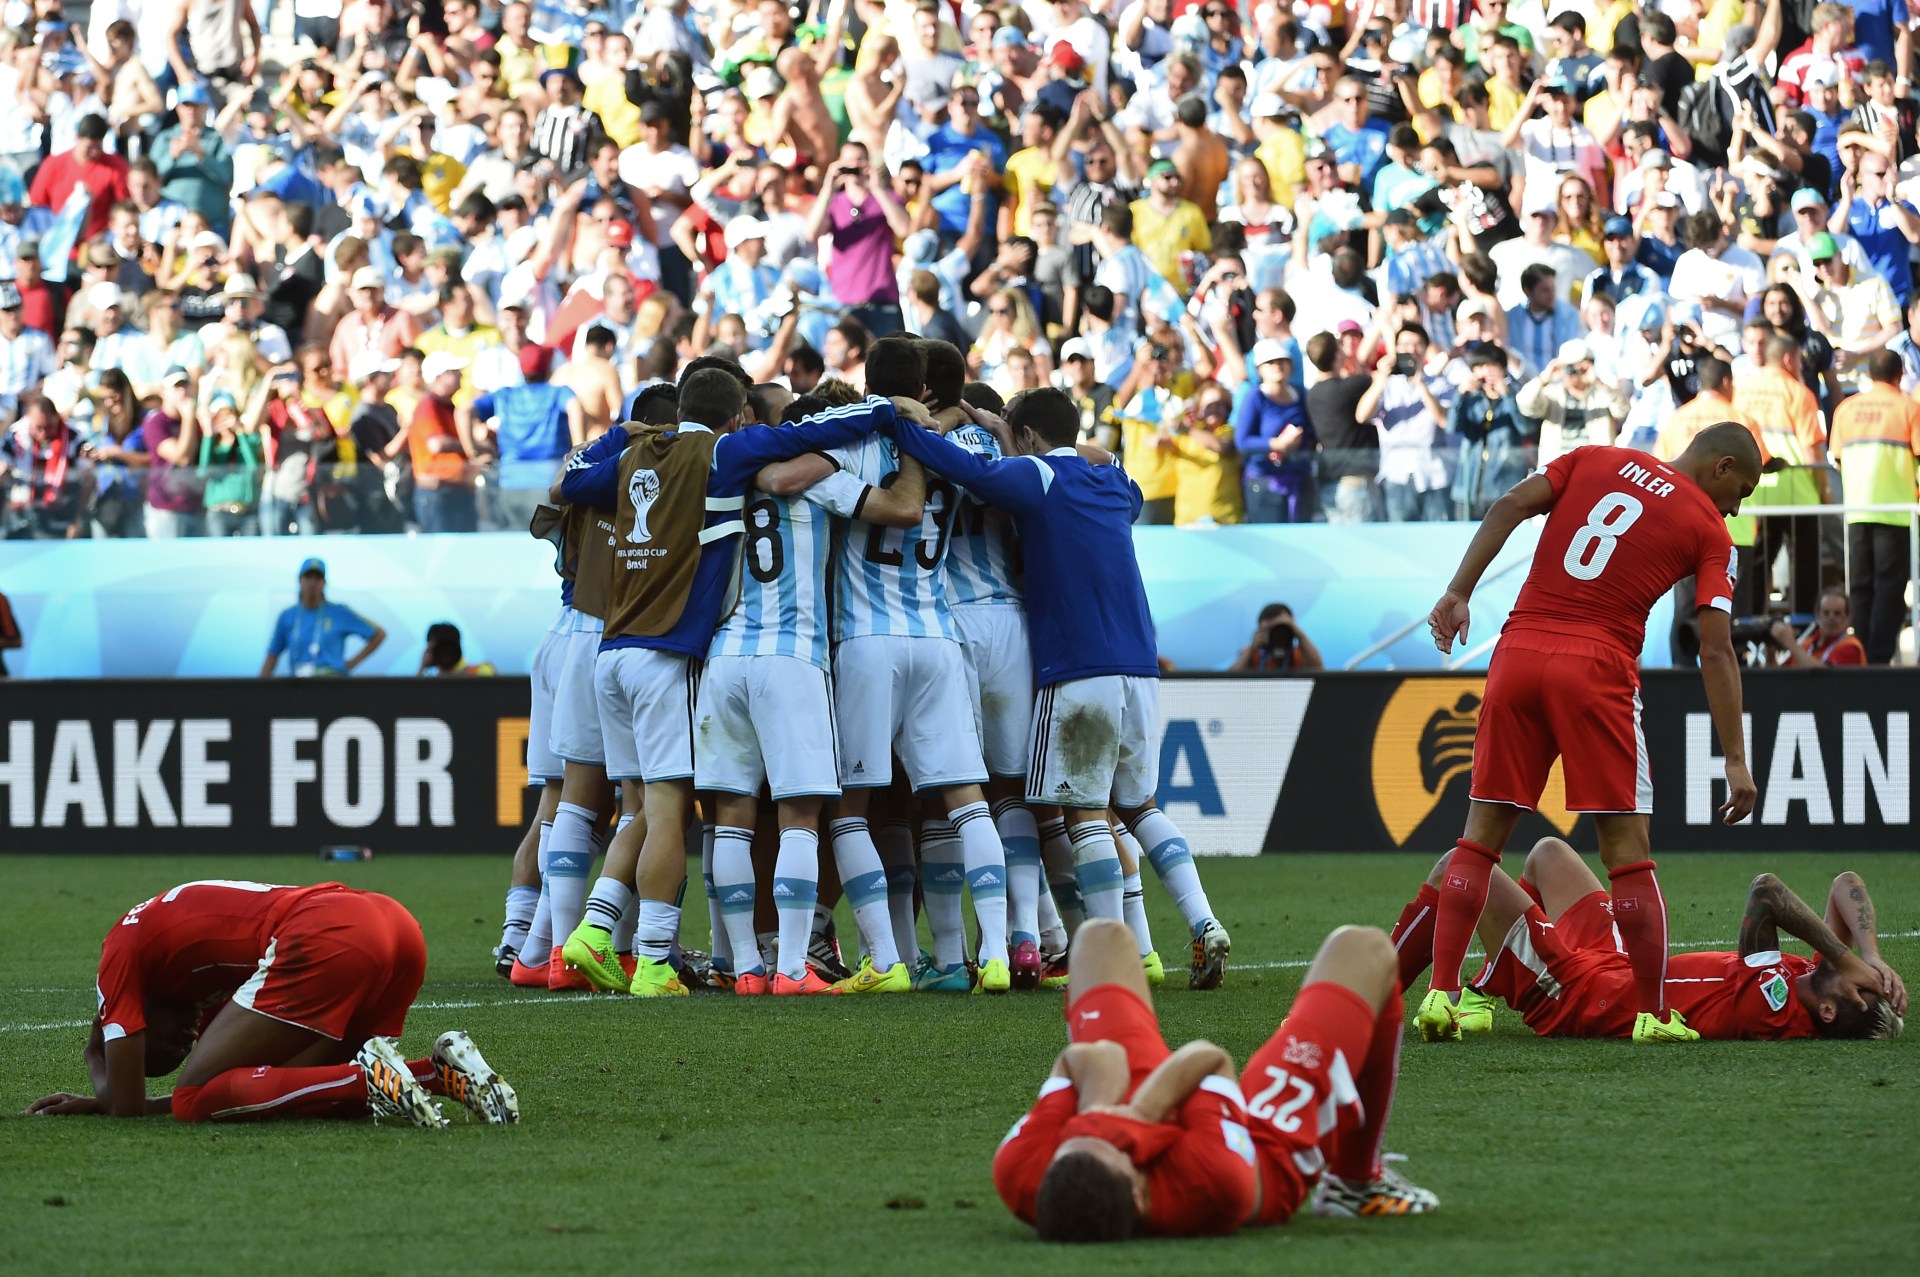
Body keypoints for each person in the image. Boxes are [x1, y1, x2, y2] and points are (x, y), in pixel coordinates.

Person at [1411, 423, 1764, 1045]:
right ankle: (1652, 1015)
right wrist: (1735, 758)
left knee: (1479, 838)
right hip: (1596, 665)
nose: (1739, 505)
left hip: (1518, 649)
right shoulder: (1712, 531)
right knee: (1628, 850)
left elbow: (1509, 505)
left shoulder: (1594, 458)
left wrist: (1459, 591)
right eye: (1744, 487)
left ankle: (1442, 996)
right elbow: (1716, 651)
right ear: (1722, 465)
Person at [554, 363, 897, 997]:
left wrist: (616, 435)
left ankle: (598, 930)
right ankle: (654, 958)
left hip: (612, 652)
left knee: (640, 809)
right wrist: (889, 410)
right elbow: (807, 436)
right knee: (667, 811)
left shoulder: (634, 460)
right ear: (738, 414)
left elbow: (570, 482)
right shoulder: (724, 451)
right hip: (671, 653)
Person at [890, 387, 1232, 988]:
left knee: (1083, 815)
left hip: (1079, 669)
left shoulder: (1037, 478)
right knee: (1140, 806)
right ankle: (1203, 920)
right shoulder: (1118, 486)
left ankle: (1107, 956)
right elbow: (1096, 460)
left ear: (1025, 439)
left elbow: (963, 469)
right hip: (1140, 668)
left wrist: (905, 423)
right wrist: (1015, 431)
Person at [992, 918, 1435, 1241]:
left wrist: (1100, 1117)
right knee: (1364, 949)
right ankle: (1355, 1182)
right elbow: (1207, 1060)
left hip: (1133, 1108)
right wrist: (1135, 1114)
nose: (1106, 1132)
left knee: (1097, 939)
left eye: (1087, 1134)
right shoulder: (1210, 1184)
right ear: (1140, 1195)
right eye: (1120, 1145)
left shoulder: (1022, 1172)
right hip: (1259, 1148)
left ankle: (1107, 1121)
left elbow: (1095, 1057)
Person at [24, 878, 517, 1127]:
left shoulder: (119, 958)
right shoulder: (194, 985)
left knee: (197, 1098)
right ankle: (437, 1072)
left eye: (170, 1041)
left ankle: (367, 1078)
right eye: (180, 1048)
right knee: (303, 1092)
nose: (189, 1040)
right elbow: (257, 1085)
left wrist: (97, 1061)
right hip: (394, 925)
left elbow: (129, 1108)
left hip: (332, 931)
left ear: (132, 1021)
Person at [1394, 838, 1904, 1042]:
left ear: (1832, 1012)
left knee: (1458, 867)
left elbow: (1766, 891)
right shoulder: (1810, 982)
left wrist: (1847, 959)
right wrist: (1872, 958)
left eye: (1864, 988)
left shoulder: (1771, 1006)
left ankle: (1381, 992)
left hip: (1579, 993)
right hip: (1616, 963)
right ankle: (1489, 982)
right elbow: (1846, 884)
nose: (1859, 976)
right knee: (1549, 854)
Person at [1828, 349, 1920, 662]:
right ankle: (1879, 660)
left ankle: (1860, 655)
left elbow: (1838, 459)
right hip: (1896, 513)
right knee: (1890, 589)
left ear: (1869, 375)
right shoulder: (1909, 408)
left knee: (1861, 587)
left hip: (1855, 512)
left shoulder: (1845, 409)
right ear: (1899, 375)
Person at [260, 557, 387, 678]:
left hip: (332, 685)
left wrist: (351, 664)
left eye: (317, 578)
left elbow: (378, 634)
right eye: (308, 577)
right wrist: (259, 689)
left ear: (324, 582)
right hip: (300, 687)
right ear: (300, 580)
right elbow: (273, 654)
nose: (312, 583)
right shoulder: (287, 616)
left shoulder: (339, 612)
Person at [1768, 589, 1869, 667]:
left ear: (1847, 619)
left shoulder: (1850, 646)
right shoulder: (1807, 644)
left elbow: (1823, 679)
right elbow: (1783, 675)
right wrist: (1770, 654)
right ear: (1817, 616)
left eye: (1837, 613)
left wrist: (1790, 643)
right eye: (1826, 613)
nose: (1831, 618)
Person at [1227, 603, 1323, 673]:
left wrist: (1299, 634)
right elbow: (1228, 679)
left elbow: (1319, 670)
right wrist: (1252, 649)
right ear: (1259, 630)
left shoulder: (1298, 653)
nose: (1275, 633)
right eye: (1268, 629)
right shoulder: (1252, 654)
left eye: (1279, 629)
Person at [419, 621, 495, 676]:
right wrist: (421, 668)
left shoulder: (480, 671)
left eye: (447, 648)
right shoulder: (429, 683)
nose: (444, 652)